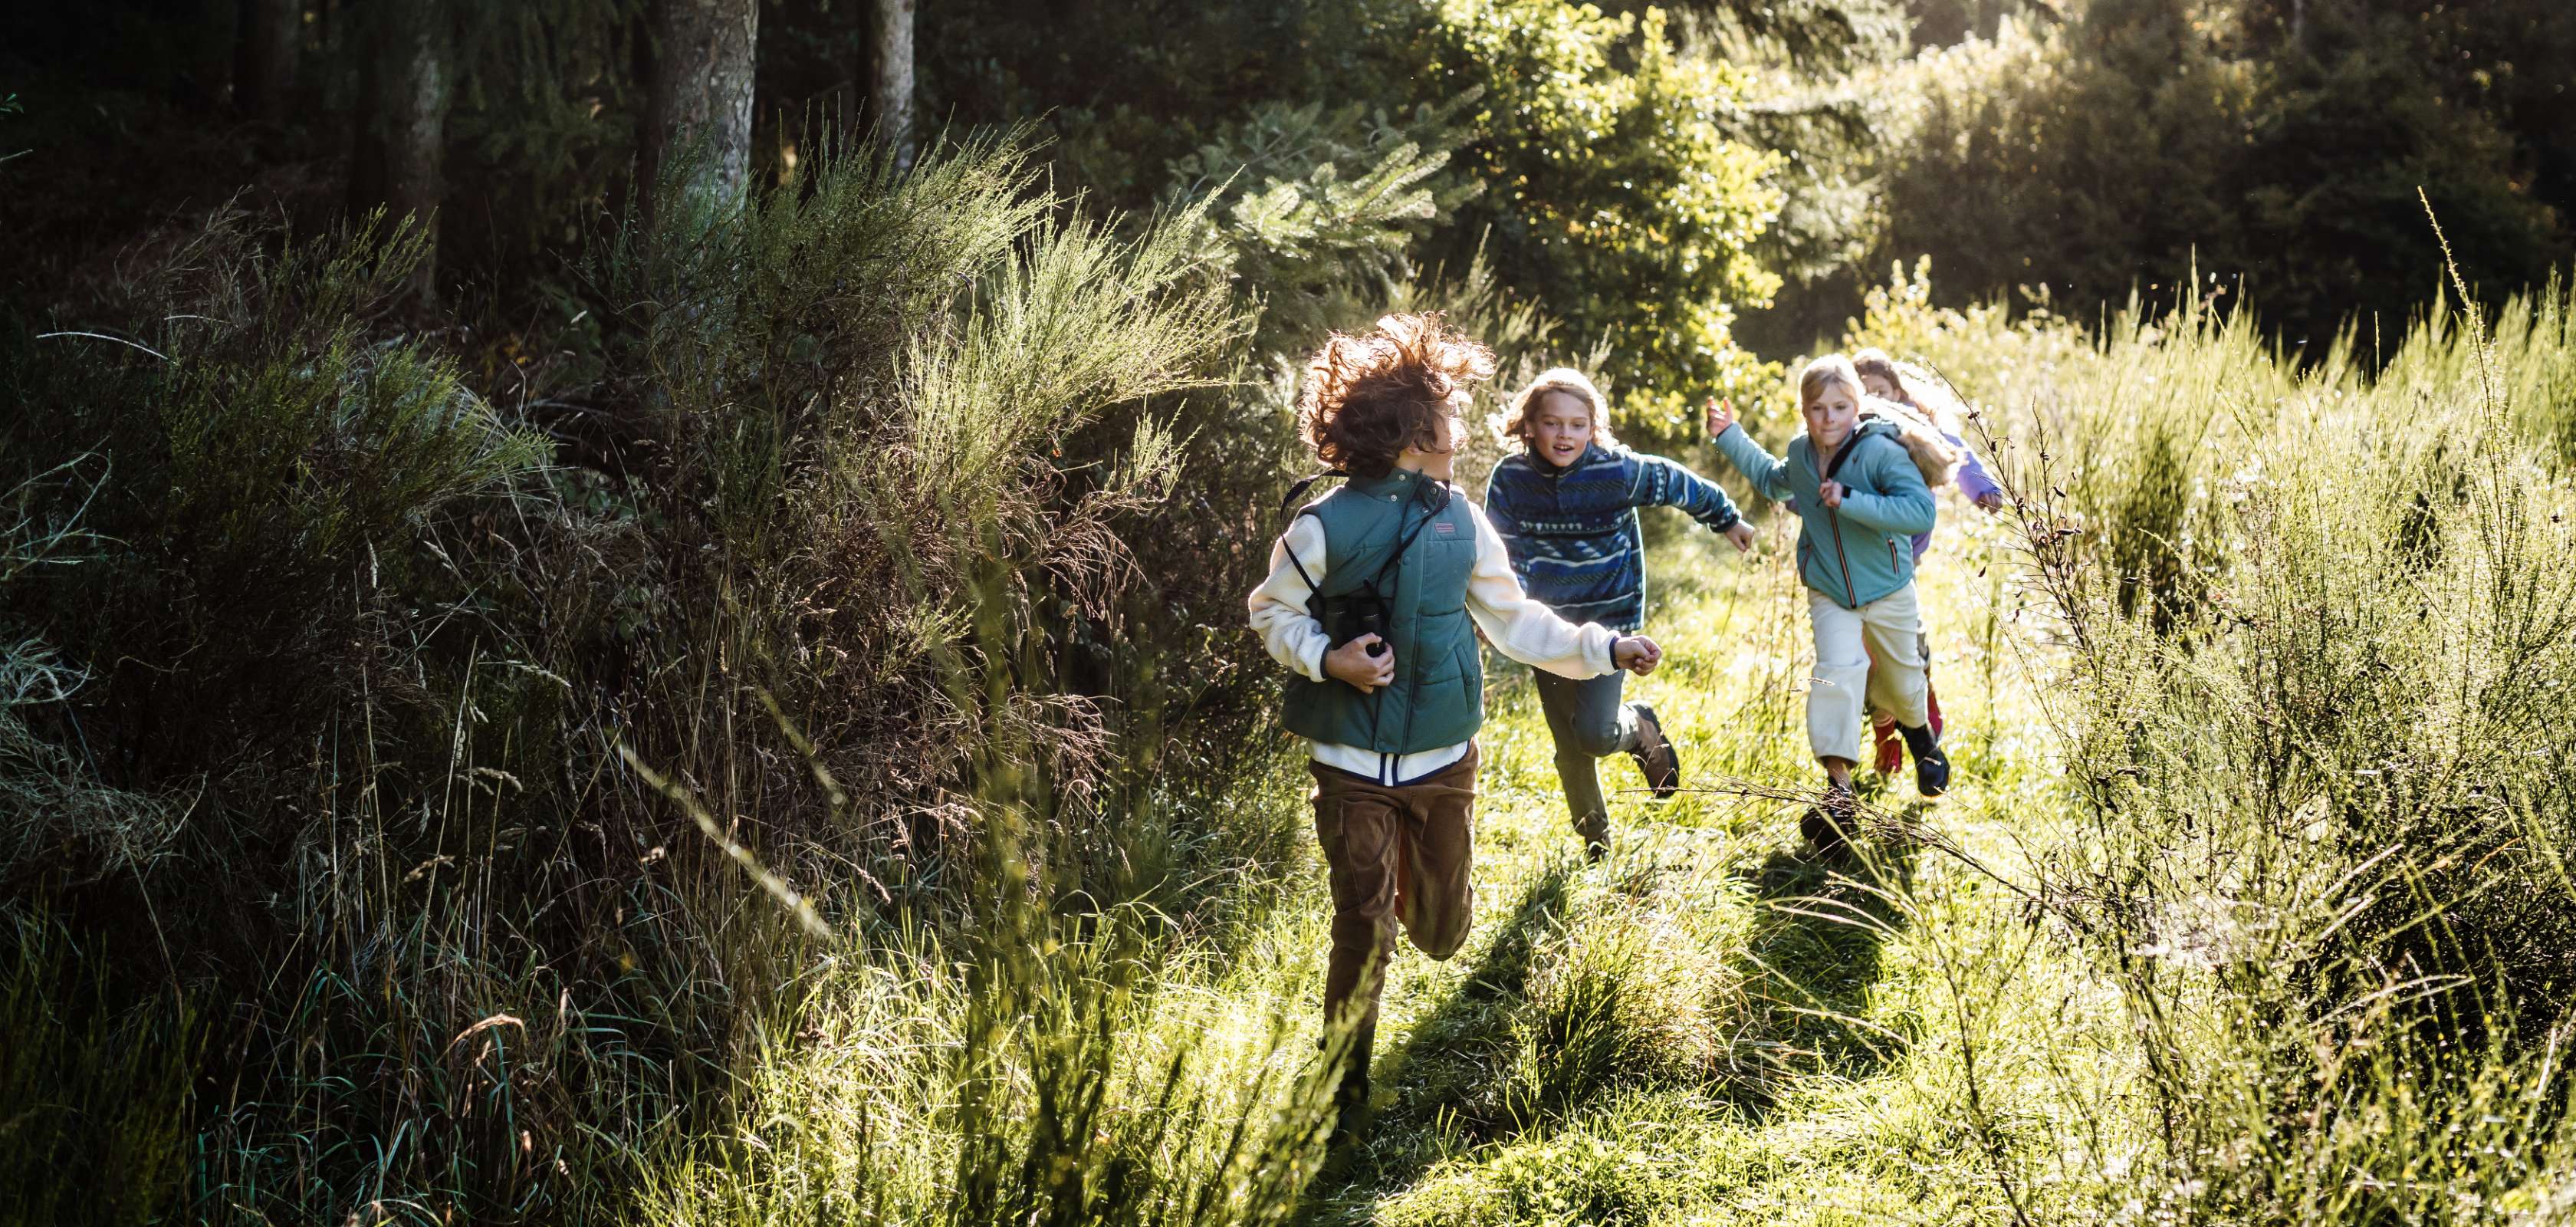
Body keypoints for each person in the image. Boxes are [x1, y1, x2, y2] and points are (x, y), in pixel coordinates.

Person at [1248, 314, 1663, 1142]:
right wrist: (1331, 662)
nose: (1463, 426)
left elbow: (1517, 623)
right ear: (1412, 433)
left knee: (1440, 933)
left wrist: (1603, 645)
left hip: (1443, 758)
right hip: (1349, 762)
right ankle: (1343, 1087)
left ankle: (1417, 892)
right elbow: (1271, 613)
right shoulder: (1321, 525)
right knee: (1360, 924)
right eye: (1448, 413)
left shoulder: (1461, 520)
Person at [1482, 367, 1753, 860]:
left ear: (1594, 428)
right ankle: (1597, 847)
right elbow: (1504, 551)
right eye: (1552, 423)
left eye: (1577, 424)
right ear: (1529, 426)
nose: (1565, 435)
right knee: (1569, 745)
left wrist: (1727, 518)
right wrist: (1501, 612)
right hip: (1549, 629)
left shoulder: (1615, 471)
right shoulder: (1511, 479)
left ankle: (1639, 727)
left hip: (1611, 623)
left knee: (1595, 734)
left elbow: (1677, 483)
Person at [1704, 354, 1953, 852]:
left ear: (1856, 407)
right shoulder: (1800, 453)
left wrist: (1850, 499)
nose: (1828, 418)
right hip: (1829, 590)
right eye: (1817, 408)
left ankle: (1921, 740)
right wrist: (1729, 434)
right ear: (1804, 411)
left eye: (1840, 407)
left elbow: (1919, 510)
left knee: (1903, 678)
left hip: (1889, 588)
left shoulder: (1881, 451)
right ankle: (1839, 795)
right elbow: (1773, 479)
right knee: (1835, 675)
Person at [1850, 349, 2006, 777]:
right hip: (1858, 561)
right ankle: (1886, 737)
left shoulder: (1913, 429)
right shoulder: (1852, 433)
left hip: (1902, 562)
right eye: (1863, 395)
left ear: (1898, 392)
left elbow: (1956, 453)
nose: (1873, 402)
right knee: (1866, 657)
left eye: (1879, 392)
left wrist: (1982, 489)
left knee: (1904, 644)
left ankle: (1922, 702)